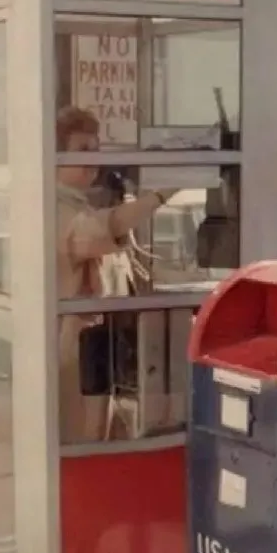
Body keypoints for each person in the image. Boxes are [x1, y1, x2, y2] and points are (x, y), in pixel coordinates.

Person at [56, 105, 176, 444]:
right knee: (83, 434)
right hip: (74, 347)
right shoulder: (55, 210)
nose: (92, 161)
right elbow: (102, 230)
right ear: (55, 155)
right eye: (81, 151)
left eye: (96, 151)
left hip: (102, 342)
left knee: (103, 431)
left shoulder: (79, 203)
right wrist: (161, 193)